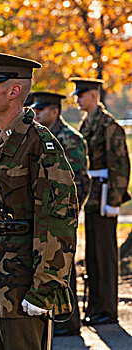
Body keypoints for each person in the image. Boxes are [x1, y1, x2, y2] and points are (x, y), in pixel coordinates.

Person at [0, 51, 78, 349]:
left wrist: (46, 286)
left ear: (14, 90)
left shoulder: (39, 144)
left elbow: (59, 220)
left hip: (23, 283)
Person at [70, 77, 131, 326]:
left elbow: (120, 164)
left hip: (105, 196)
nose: (77, 99)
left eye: (81, 95)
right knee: (93, 254)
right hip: (92, 197)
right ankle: (95, 306)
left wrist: (115, 200)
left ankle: (107, 308)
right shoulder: (87, 123)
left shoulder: (108, 125)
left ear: (94, 95)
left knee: (105, 256)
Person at [32, 91, 91, 336]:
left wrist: (69, 212)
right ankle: (53, 317)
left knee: (63, 266)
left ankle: (68, 321)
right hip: (44, 214)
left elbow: (82, 181)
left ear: (55, 111)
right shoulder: (39, 136)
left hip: (62, 214)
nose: (35, 113)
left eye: (41, 109)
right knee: (47, 265)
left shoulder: (70, 138)